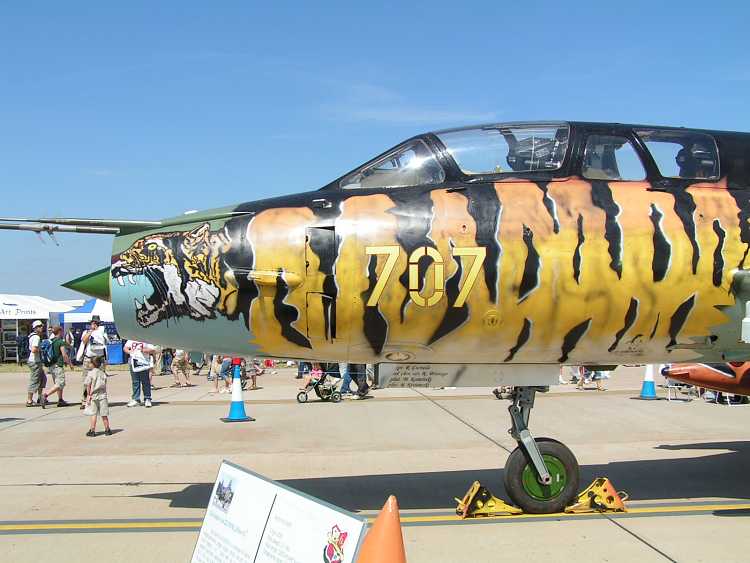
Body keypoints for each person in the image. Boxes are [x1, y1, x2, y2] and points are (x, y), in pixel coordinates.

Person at [78, 316, 110, 409]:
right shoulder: (86, 332)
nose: (96, 325)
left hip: (99, 358)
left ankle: (100, 399)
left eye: (98, 323)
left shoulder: (103, 332)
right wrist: (91, 331)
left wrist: (100, 332)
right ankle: (84, 400)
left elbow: (106, 342)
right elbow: (84, 340)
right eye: (94, 323)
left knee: (100, 380)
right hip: (89, 358)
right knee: (86, 380)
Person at [43, 327, 73, 407]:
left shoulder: (51, 341)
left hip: (51, 365)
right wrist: (70, 363)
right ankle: (45, 395)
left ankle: (60, 400)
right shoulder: (60, 342)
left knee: (57, 383)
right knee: (60, 383)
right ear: (59, 331)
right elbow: (64, 354)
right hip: (58, 365)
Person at [83, 356, 111, 436]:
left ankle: (92, 430)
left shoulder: (90, 373)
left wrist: (88, 394)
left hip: (94, 395)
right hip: (103, 395)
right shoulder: (102, 373)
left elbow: (88, 384)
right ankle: (107, 429)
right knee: (104, 413)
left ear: (93, 364)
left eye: (90, 363)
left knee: (93, 413)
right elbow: (104, 383)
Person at [124, 339, 155, 407]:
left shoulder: (146, 339)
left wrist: (145, 350)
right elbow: (125, 348)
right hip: (133, 363)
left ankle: (147, 398)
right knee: (135, 382)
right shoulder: (131, 339)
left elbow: (153, 350)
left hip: (143, 363)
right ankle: (136, 399)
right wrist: (130, 352)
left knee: (145, 382)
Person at [26, 320, 46, 407]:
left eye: (42, 326)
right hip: (35, 361)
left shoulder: (32, 336)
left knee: (42, 379)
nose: (42, 327)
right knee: (34, 380)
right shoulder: (36, 337)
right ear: (36, 328)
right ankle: (29, 400)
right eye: (40, 326)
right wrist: (42, 349)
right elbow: (34, 350)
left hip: (36, 361)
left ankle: (39, 398)